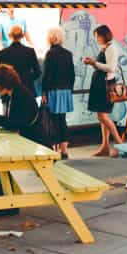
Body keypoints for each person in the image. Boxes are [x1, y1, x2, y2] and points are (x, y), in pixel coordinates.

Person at [0, 63, 49, 215]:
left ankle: (5, 203)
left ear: (2, 83)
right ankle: (1, 199)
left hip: (35, 144)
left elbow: (19, 122)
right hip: (27, 141)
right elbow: (15, 121)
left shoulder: (21, 95)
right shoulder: (15, 93)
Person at [84, 25, 125, 157]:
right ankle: (105, 146)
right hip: (101, 83)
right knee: (103, 116)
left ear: (103, 35)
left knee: (102, 116)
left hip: (105, 85)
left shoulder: (112, 48)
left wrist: (94, 63)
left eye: (97, 36)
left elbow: (110, 68)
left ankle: (120, 145)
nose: (96, 39)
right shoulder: (107, 47)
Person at [41, 27, 74, 158]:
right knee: (62, 120)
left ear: (51, 38)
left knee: (53, 121)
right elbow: (72, 74)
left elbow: (47, 76)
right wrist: (69, 90)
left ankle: (54, 151)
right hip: (65, 91)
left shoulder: (50, 54)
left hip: (53, 91)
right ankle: (64, 150)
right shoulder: (68, 53)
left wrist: (44, 92)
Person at [0, 25, 41, 96]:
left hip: (9, 90)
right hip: (27, 89)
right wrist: (28, 78)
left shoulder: (2, 54)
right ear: (22, 36)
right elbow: (37, 72)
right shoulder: (30, 52)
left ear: (10, 36)